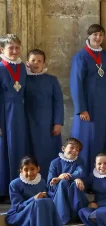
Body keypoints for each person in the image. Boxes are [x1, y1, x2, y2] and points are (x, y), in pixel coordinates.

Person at [6, 156, 77, 226]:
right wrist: (33, 199)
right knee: (39, 203)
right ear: (21, 171)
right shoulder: (14, 184)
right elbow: (17, 207)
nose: (29, 173)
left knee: (47, 202)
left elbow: (49, 196)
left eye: (32, 169)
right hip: (20, 216)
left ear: (38, 169)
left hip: (38, 213)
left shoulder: (42, 181)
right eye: (25, 170)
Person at [70, 24, 106, 176]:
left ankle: (99, 175)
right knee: (87, 141)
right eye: (95, 34)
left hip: (103, 104)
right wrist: (81, 108)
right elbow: (76, 83)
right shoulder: (81, 56)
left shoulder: (105, 55)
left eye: (101, 35)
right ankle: (84, 176)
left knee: (100, 140)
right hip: (88, 106)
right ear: (88, 36)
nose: (98, 38)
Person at [25, 49, 64, 180]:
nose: (36, 63)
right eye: (33, 60)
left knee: (48, 154)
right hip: (28, 123)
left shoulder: (52, 80)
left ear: (44, 64)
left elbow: (58, 102)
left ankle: (50, 181)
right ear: (27, 63)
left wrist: (58, 122)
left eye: (39, 61)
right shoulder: (23, 80)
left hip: (48, 124)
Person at [0, 34, 27, 202]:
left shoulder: (22, 66)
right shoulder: (1, 67)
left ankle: (18, 187)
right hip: (4, 112)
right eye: (11, 48)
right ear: (2, 50)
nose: (15, 51)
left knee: (18, 148)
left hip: (19, 112)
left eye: (17, 47)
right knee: (4, 151)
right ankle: (3, 191)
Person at [47, 138, 88, 224]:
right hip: (58, 192)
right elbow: (50, 183)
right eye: (72, 147)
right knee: (63, 183)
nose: (74, 151)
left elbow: (80, 172)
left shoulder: (79, 161)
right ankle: (62, 216)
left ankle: (76, 214)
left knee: (75, 184)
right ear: (63, 148)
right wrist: (58, 178)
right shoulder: (54, 163)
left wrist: (74, 178)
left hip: (73, 190)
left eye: (77, 150)